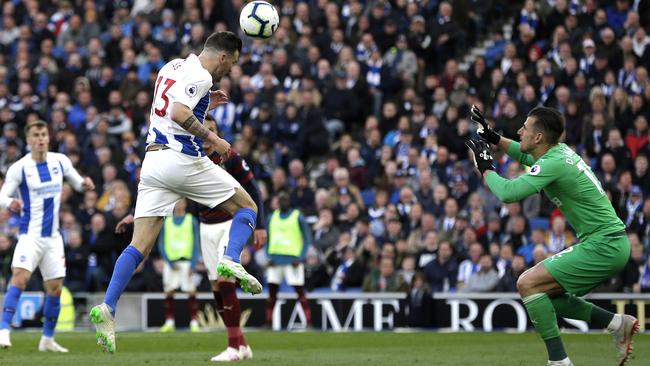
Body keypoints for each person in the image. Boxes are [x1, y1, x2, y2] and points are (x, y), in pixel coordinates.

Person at [90, 31, 261, 354]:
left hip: (152, 162)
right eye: (233, 63)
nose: (230, 70)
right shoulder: (200, 75)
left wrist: (206, 102)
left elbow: (173, 104)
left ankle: (108, 307)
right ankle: (230, 258)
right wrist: (214, 141)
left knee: (138, 245)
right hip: (181, 159)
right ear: (223, 57)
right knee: (247, 207)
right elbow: (179, 113)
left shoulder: (171, 67)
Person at [466, 105, 638, 366]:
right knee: (544, 295)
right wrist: (492, 137)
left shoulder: (553, 162)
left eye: (525, 127)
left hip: (605, 245)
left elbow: (508, 194)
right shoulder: (558, 152)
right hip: (609, 242)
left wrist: (486, 167)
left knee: (527, 283)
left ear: (538, 137)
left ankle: (559, 362)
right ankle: (616, 323)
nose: (519, 131)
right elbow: (525, 157)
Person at [115, 114, 266, 361]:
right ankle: (241, 344)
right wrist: (136, 215)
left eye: (212, 130)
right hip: (205, 228)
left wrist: (260, 225)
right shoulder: (190, 157)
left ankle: (232, 348)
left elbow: (253, 188)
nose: (207, 136)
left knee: (225, 281)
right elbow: (167, 191)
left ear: (218, 133)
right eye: (203, 130)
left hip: (230, 224)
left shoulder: (229, 156)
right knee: (216, 286)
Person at [0, 120, 95, 351]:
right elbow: (2, 196)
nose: (41, 138)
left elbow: (77, 182)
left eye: (44, 134)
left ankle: (47, 339)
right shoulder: (19, 168)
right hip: (29, 235)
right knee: (19, 279)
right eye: (36, 135)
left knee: (55, 287)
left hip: (53, 238)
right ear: (29, 140)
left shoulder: (60, 161)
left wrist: (86, 184)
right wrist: (10, 201)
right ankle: (3, 330)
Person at [265, 191, 312, 328]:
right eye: (281, 200)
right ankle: (268, 322)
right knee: (272, 293)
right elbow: (267, 238)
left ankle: (308, 322)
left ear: (290, 202)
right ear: (278, 202)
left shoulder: (298, 216)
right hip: (275, 260)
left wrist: (301, 257)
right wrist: (269, 255)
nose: (283, 202)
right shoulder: (271, 217)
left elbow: (307, 239)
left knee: (300, 292)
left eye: (286, 200)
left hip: (293, 261)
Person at [157, 198, 200, 333]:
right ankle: (169, 322)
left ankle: (194, 321)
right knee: (169, 291)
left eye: (181, 202)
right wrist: (168, 261)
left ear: (185, 204)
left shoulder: (191, 220)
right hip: (171, 262)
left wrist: (193, 263)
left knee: (191, 291)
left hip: (187, 261)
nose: (178, 205)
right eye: (176, 202)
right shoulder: (167, 221)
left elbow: (196, 243)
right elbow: (161, 243)